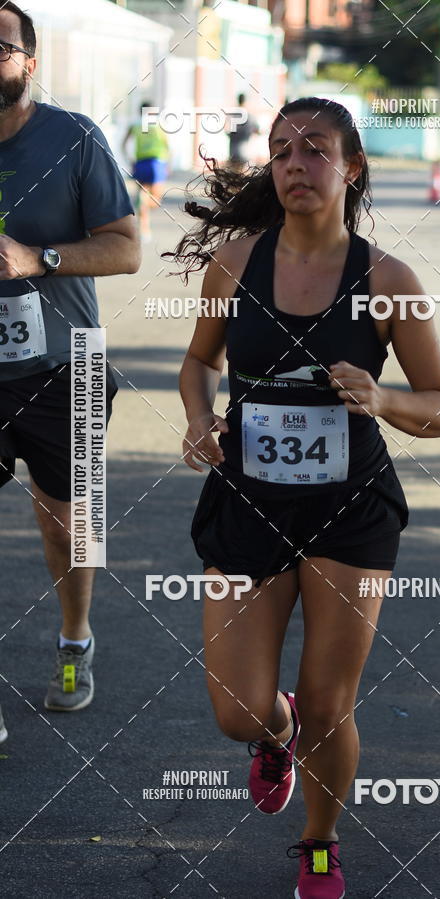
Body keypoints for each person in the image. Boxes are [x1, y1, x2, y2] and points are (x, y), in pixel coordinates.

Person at [165, 96, 440, 898]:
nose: (298, 163)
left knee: (334, 704)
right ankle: (276, 732)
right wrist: (198, 419)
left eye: (318, 149)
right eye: (283, 149)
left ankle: (320, 841)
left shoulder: (387, 280)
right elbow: (198, 364)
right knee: (237, 709)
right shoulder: (234, 262)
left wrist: (384, 398)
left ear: (350, 166)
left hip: (351, 510)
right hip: (247, 502)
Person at [0, 2, 141, 742]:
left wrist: (38, 258)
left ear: (29, 60)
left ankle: (74, 641)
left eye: (0, 46)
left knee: (67, 523)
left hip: (70, 364)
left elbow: (125, 248)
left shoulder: (74, 139)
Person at [122, 101, 170, 243]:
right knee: (156, 199)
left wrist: (129, 159)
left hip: (140, 163)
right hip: (156, 162)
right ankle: (144, 224)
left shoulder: (135, 125)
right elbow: (167, 145)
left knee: (143, 195)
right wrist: (168, 163)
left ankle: (144, 228)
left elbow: (123, 144)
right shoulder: (159, 124)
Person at [227, 92, 259, 172]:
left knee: (234, 177)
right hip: (245, 150)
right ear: (245, 101)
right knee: (244, 176)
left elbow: (227, 131)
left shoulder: (232, 115)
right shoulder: (250, 116)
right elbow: (257, 130)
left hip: (233, 150)